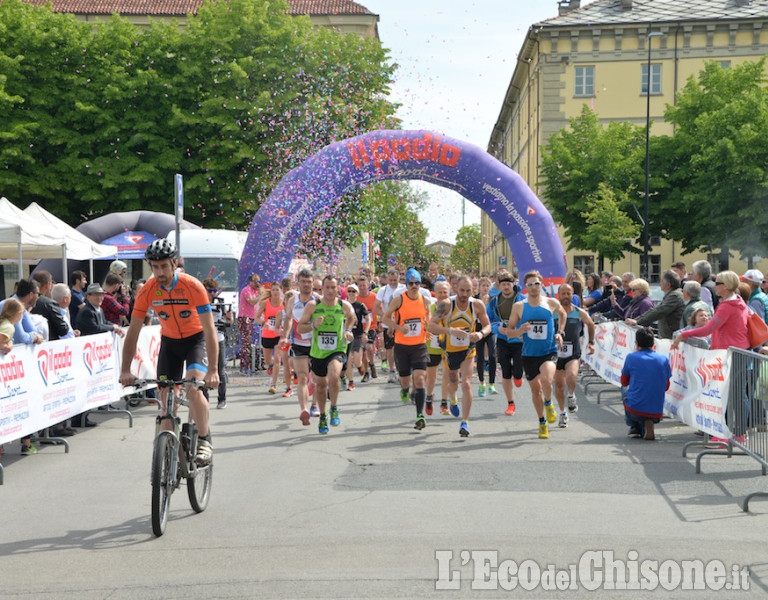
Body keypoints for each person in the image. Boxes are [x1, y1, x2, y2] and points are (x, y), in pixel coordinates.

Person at [119, 239, 219, 465]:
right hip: (170, 343)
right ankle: (168, 460)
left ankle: (205, 439)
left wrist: (213, 370)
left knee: (193, 387)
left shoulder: (193, 286)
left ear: (174, 264)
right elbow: (133, 332)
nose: (160, 272)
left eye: (164, 266)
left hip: (196, 340)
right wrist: (125, 369)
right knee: (165, 403)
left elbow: (210, 329)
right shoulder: (147, 291)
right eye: (155, 267)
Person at [671, 271, 750, 443]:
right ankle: (735, 433)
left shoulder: (728, 306)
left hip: (732, 353)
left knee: (733, 395)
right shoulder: (737, 302)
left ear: (727, 286)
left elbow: (708, 329)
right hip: (736, 352)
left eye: (719, 283)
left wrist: (683, 335)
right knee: (734, 394)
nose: (715, 285)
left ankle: (735, 434)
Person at [506, 270, 567, 439]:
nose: (534, 287)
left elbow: (563, 314)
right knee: (535, 391)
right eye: (530, 284)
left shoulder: (551, 303)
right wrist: (519, 330)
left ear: (542, 284)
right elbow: (509, 331)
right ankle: (541, 421)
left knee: (547, 380)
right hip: (529, 354)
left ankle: (549, 403)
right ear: (526, 288)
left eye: (537, 284)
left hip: (548, 351)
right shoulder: (519, 306)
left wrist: (560, 333)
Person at [428, 275, 491, 437]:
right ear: (456, 289)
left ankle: (465, 422)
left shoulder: (477, 305)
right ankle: (453, 399)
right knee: (453, 380)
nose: (464, 294)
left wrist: (480, 333)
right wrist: (450, 331)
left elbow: (488, 325)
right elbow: (431, 325)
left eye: (468, 291)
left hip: (468, 349)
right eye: (462, 290)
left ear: (473, 290)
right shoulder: (447, 305)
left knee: (467, 383)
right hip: (450, 350)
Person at [297, 275, 356, 435]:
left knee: (334, 375)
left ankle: (334, 407)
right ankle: (323, 415)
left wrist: (348, 330)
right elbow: (300, 328)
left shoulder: (343, 305)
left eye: (333, 287)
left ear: (338, 289)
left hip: (337, 349)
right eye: (327, 287)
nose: (330, 290)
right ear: (322, 289)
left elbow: (352, 318)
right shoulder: (313, 305)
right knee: (321, 385)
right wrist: (312, 325)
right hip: (318, 352)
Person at [383, 268, 432, 431]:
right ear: (406, 285)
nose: (414, 286)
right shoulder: (399, 300)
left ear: (420, 284)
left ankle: (420, 415)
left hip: (419, 346)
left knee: (419, 379)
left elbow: (428, 319)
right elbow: (385, 318)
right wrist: (397, 327)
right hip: (402, 346)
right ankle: (405, 389)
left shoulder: (425, 300)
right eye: (411, 283)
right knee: (405, 380)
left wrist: (429, 330)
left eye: (417, 283)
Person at [280, 269, 320, 425]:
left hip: (316, 343)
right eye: (303, 281)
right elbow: (289, 319)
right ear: (298, 283)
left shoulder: (319, 300)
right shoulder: (292, 300)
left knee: (316, 377)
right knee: (302, 377)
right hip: (299, 343)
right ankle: (304, 409)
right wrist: (285, 336)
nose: (306, 285)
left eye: (309, 282)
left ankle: (315, 405)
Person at [553, 284, 595, 426]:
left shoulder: (578, 312)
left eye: (568, 293)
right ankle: (562, 413)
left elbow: (590, 324)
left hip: (573, 352)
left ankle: (571, 395)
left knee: (571, 376)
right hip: (555, 353)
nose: (566, 296)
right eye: (563, 293)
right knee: (559, 385)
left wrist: (591, 342)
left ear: (573, 295)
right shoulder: (552, 312)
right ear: (558, 295)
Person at [621, 327, 671, 440]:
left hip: (635, 409)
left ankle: (635, 427)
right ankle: (648, 422)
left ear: (636, 343)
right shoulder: (663, 359)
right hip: (657, 410)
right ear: (653, 343)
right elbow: (666, 386)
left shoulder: (631, 357)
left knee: (624, 390)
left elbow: (624, 382)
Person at [488, 270, 524, 416]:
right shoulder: (494, 302)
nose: (506, 287)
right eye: (503, 285)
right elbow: (488, 321)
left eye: (508, 284)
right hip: (503, 340)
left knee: (517, 371)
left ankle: (518, 375)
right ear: (499, 286)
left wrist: (521, 329)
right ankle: (511, 403)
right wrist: (498, 329)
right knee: (505, 370)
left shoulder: (521, 299)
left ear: (513, 284)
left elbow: (529, 316)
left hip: (519, 340)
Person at [627, 270, 684, 339]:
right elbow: (655, 309)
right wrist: (636, 320)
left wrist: (637, 322)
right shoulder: (670, 295)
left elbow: (659, 311)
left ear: (668, 285)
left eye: (662, 281)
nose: (660, 283)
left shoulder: (674, 296)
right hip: (668, 337)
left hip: (672, 337)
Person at [203, 278, 233, 409]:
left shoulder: (220, 303)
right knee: (203, 370)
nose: (212, 294)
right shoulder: (199, 302)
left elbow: (229, 321)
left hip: (218, 338)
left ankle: (222, 399)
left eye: (214, 291)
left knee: (220, 369)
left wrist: (229, 318)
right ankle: (204, 398)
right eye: (209, 291)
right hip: (203, 339)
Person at [375, 268, 406, 384]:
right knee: (390, 348)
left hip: (401, 323)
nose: (393, 282)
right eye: (391, 280)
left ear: (399, 278)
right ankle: (392, 371)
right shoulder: (383, 290)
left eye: (395, 280)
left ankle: (401, 370)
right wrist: (385, 316)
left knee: (401, 348)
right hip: (388, 324)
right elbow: (376, 307)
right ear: (388, 279)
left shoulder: (404, 289)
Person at [255, 283, 285, 394]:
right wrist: (263, 323)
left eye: (277, 290)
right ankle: (270, 365)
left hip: (279, 335)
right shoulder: (265, 303)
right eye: (273, 290)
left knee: (277, 359)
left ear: (281, 291)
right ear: (270, 291)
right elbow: (257, 317)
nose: (276, 292)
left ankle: (273, 384)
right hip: (267, 334)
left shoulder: (284, 303)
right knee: (268, 361)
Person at [426, 280, 450, 415]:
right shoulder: (430, 308)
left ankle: (444, 402)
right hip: (432, 345)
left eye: (445, 292)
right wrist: (427, 332)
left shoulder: (452, 307)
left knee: (447, 374)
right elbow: (425, 323)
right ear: (436, 293)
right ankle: (429, 397)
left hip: (448, 345)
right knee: (431, 377)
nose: (442, 295)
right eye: (440, 292)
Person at [344, 284, 371, 391]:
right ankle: (351, 382)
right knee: (348, 360)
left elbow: (368, 319)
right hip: (346, 335)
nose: (351, 293)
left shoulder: (360, 305)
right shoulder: (343, 305)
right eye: (349, 291)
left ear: (357, 293)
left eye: (353, 291)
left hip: (358, 335)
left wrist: (366, 332)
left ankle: (361, 367)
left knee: (356, 361)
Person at [31, 270, 70, 341]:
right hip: (49, 345)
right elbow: (63, 330)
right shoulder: (49, 303)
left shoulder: (26, 300)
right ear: (48, 284)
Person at [474, 277, 497, 398]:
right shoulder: (475, 299)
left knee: (492, 355)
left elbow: (496, 314)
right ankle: (482, 382)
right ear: (479, 287)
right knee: (480, 356)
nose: (485, 288)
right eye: (483, 285)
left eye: (487, 286)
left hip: (490, 328)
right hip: (478, 328)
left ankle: (492, 383)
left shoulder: (493, 300)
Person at [356, 275, 378, 381]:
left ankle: (372, 364)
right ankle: (366, 372)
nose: (362, 288)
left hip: (371, 327)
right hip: (359, 328)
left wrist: (381, 322)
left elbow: (378, 310)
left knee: (369, 348)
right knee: (363, 352)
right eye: (360, 286)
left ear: (368, 286)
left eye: (364, 285)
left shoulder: (374, 297)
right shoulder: (356, 298)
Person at [238, 273, 261, 375]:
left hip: (251, 318)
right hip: (244, 318)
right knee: (246, 342)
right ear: (250, 282)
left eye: (258, 281)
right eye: (255, 281)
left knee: (250, 341)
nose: (257, 284)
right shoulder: (246, 290)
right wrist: (260, 296)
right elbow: (251, 302)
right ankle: (244, 366)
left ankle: (251, 364)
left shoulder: (256, 291)